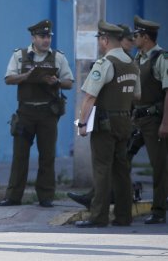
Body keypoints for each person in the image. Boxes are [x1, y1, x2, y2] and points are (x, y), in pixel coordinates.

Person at [0, 19, 74, 208]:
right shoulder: (20, 56)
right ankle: (13, 196)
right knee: (20, 156)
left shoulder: (58, 57)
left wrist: (56, 82)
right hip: (25, 112)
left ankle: (46, 196)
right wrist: (27, 76)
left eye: (48, 36)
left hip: (48, 112)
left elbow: (69, 83)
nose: (46, 40)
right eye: (42, 36)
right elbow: (8, 78)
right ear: (33, 38)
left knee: (47, 155)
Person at [67, 23, 141, 209]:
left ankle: (98, 215)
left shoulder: (105, 63)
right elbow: (137, 95)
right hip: (125, 122)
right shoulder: (132, 64)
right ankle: (124, 216)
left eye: (100, 40)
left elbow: (90, 96)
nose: (100, 44)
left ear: (105, 40)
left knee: (102, 169)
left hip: (105, 123)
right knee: (121, 170)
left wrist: (82, 124)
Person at [132, 15, 168, 224]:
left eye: (136, 35)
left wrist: (165, 123)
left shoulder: (161, 58)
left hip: (155, 121)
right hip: (137, 120)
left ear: (145, 37)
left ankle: (159, 210)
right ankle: (113, 200)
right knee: (121, 158)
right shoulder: (139, 58)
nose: (134, 38)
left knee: (160, 166)